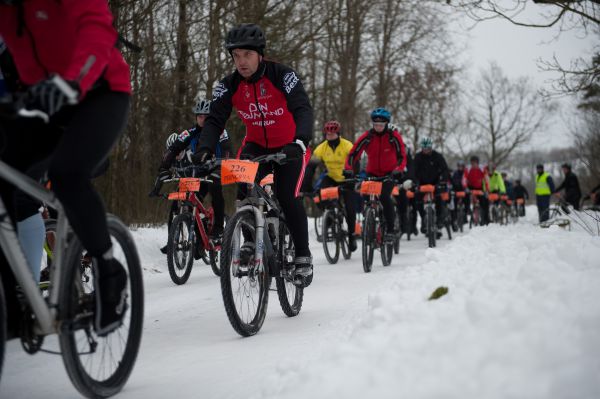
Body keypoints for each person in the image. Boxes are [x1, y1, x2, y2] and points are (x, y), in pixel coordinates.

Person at [0, 1, 131, 336]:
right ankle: (12, 299)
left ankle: (108, 270)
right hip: (38, 99)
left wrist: (73, 81)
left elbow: (96, 27)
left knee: (66, 174)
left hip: (99, 92)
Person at [193, 24, 314, 287]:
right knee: (244, 190)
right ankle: (249, 238)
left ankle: (303, 255)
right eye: (236, 56)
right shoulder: (229, 85)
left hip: (290, 145)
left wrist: (301, 141)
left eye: (246, 55)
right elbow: (214, 120)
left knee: (286, 195)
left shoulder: (283, 75)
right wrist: (204, 148)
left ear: (260, 54)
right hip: (256, 144)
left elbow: (303, 108)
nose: (241, 62)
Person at [151, 98, 231, 252]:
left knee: (215, 188)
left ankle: (219, 228)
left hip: (219, 167)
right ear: (196, 117)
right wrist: (163, 168)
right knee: (190, 201)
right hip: (200, 170)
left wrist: (223, 164)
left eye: (206, 116)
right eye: (200, 116)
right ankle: (199, 241)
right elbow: (173, 149)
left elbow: (227, 150)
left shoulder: (220, 131)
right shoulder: (190, 132)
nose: (203, 119)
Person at [345, 107, 407, 243]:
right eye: (376, 124)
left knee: (385, 197)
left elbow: (401, 155)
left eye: (381, 125)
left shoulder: (393, 136)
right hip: (371, 174)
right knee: (366, 199)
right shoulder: (367, 137)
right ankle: (370, 222)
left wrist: (398, 169)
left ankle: (390, 230)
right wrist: (349, 168)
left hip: (389, 174)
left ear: (386, 124)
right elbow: (354, 153)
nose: (378, 127)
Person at [311, 120, 357, 251]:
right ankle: (330, 218)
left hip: (347, 179)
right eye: (327, 134)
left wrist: (353, 173)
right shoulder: (321, 148)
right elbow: (311, 167)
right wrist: (306, 185)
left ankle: (352, 235)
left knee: (350, 207)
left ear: (338, 133)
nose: (330, 136)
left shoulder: (347, 145)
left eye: (332, 133)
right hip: (331, 178)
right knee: (320, 195)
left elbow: (356, 161)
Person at [412, 137, 450, 236]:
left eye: (427, 148)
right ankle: (424, 219)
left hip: (435, 183)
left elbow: (445, 170)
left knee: (439, 201)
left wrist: (443, 181)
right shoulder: (417, 157)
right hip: (422, 184)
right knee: (418, 201)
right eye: (424, 148)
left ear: (431, 147)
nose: (426, 150)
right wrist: (415, 183)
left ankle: (438, 223)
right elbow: (413, 172)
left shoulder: (438, 156)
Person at [464, 155, 490, 225]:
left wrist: (487, 190)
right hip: (470, 187)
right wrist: (465, 187)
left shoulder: (482, 168)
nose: (473, 165)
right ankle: (466, 212)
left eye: (475, 163)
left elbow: (487, 179)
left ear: (477, 163)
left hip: (480, 187)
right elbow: (464, 179)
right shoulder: (468, 169)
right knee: (465, 197)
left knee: (485, 201)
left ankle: (485, 219)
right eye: (472, 163)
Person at [450, 160, 468, 229]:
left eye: (462, 166)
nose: (460, 167)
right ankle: (454, 219)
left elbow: (468, 182)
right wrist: (453, 189)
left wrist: (467, 189)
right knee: (453, 204)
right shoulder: (455, 173)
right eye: (459, 166)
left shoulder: (466, 173)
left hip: (464, 191)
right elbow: (452, 182)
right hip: (456, 191)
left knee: (467, 202)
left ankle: (465, 215)